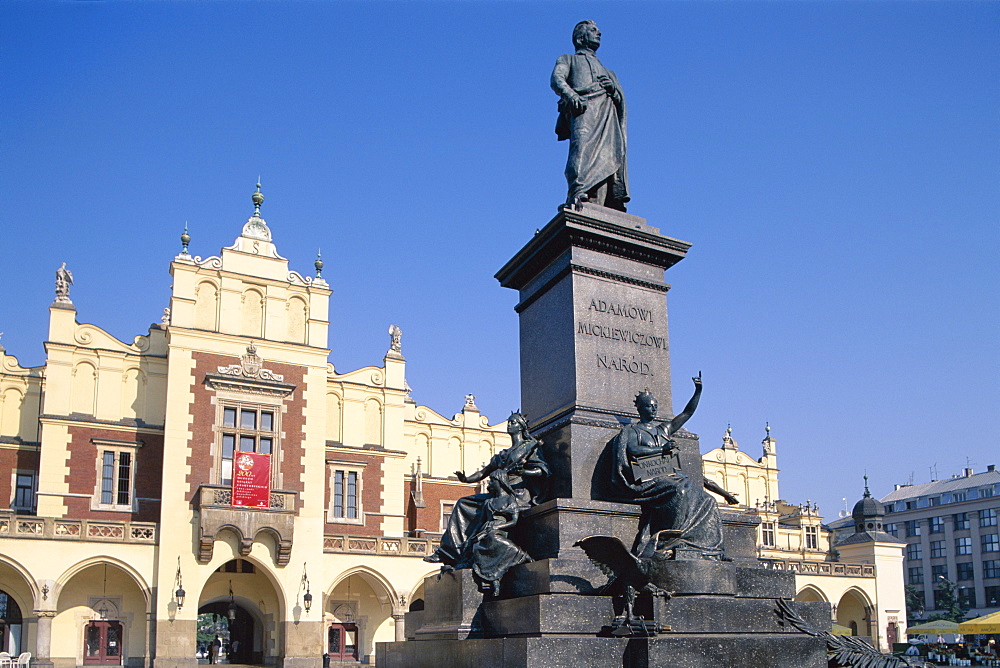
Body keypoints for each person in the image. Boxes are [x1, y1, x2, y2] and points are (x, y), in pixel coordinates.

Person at [603, 376, 739, 557]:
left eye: (655, 406)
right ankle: (671, 543)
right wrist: (662, 448)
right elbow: (633, 449)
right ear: (639, 408)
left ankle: (709, 548)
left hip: (670, 476)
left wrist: (698, 391)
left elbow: (687, 413)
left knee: (709, 500)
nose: (653, 409)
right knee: (678, 492)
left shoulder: (663, 430)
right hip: (648, 478)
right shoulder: (632, 431)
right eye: (649, 406)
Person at [424, 412, 548, 568]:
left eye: (514, 422)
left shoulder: (530, 447)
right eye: (509, 422)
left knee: (481, 510)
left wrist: (522, 472)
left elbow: (542, 470)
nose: (510, 425)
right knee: (463, 503)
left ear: (522, 427)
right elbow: (484, 472)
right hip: (499, 493)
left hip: (517, 494)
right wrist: (466, 479)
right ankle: (449, 552)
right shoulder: (503, 455)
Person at [551, 20, 630, 211]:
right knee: (581, 150)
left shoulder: (609, 72)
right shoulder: (568, 59)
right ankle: (578, 191)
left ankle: (601, 203)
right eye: (593, 30)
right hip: (584, 111)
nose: (599, 33)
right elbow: (556, 79)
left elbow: (620, 99)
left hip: (607, 116)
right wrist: (571, 95)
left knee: (609, 156)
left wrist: (614, 90)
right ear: (580, 37)